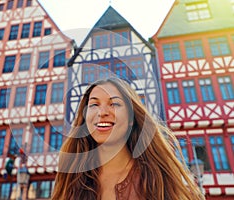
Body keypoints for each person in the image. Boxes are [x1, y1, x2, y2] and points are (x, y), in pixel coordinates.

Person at [52, 77, 205, 200]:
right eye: (94, 105)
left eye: (114, 103)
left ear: (131, 117)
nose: (102, 112)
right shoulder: (72, 178)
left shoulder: (156, 178)